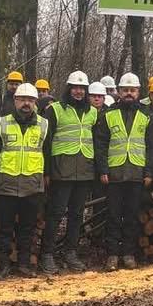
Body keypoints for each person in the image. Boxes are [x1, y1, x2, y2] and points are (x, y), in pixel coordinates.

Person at [94, 73, 153, 270]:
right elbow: (101, 145)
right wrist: (103, 170)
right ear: (119, 92)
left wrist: (149, 172)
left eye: (132, 90)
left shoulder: (148, 115)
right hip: (114, 174)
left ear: (138, 92)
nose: (129, 93)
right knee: (113, 216)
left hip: (136, 174)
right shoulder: (108, 114)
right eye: (125, 90)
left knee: (132, 216)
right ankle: (113, 254)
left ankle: (129, 254)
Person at [0, 82, 52, 279]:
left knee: (28, 228)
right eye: (22, 99)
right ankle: (3, 265)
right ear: (15, 101)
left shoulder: (44, 124)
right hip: (7, 183)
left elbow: (47, 153)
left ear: (35, 103)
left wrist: (47, 177)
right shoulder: (2, 123)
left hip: (32, 185)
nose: (26, 103)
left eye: (30, 100)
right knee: (4, 228)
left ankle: (23, 264)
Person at [47, 70, 98, 273]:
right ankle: (47, 254)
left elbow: (96, 141)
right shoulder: (55, 110)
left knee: (77, 215)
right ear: (69, 89)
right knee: (56, 213)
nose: (78, 92)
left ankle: (71, 253)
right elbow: (47, 142)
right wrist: (48, 172)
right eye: (75, 88)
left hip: (84, 170)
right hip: (62, 170)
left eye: (82, 89)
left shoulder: (93, 112)